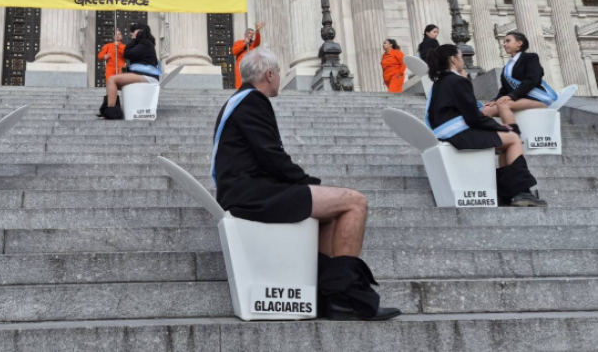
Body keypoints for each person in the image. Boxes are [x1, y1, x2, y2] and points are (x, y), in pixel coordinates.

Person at [212, 48, 402, 321]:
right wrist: (309, 184)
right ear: (269, 74)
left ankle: (330, 297)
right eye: (277, 73)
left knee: (330, 214)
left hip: (246, 189)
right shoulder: (253, 101)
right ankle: (348, 296)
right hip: (252, 194)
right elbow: (272, 157)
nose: (279, 78)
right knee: (354, 202)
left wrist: (311, 187)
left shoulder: (241, 100)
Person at [426, 44, 543, 207]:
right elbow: (473, 117)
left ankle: (510, 193)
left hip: (446, 133)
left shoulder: (439, 83)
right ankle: (522, 192)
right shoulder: (458, 81)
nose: (463, 61)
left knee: (505, 145)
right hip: (459, 135)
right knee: (514, 139)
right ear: (453, 59)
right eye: (461, 57)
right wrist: (501, 127)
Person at [482, 32, 557, 118]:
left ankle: (512, 130)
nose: (504, 44)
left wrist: (512, 96)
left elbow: (533, 79)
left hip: (535, 99)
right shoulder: (507, 67)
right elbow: (504, 89)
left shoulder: (530, 57)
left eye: (508, 41)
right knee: (486, 110)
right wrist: (495, 100)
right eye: (504, 42)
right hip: (517, 100)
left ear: (519, 43)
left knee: (504, 104)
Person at [98, 23, 160, 120]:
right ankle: (112, 109)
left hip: (148, 77)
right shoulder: (144, 44)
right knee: (113, 84)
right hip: (143, 76)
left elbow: (128, 53)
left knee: (112, 80)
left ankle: (111, 112)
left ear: (140, 31)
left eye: (133, 31)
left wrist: (134, 39)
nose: (131, 33)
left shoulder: (145, 43)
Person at [232, 22, 264, 89]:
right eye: (249, 33)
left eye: (252, 34)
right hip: (240, 66)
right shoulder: (239, 42)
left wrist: (257, 30)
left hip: (250, 66)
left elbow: (257, 42)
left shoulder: (253, 44)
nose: (251, 35)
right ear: (245, 34)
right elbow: (234, 51)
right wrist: (244, 43)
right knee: (240, 83)